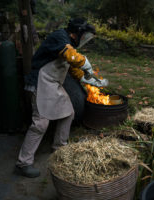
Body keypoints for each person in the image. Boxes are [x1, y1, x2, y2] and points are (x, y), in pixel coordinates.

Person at [15, 18, 108, 178]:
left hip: (54, 85)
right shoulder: (60, 37)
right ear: (77, 33)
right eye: (85, 36)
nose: (85, 40)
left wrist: (89, 80)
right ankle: (23, 163)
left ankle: (59, 147)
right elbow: (71, 56)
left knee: (68, 113)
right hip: (40, 83)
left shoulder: (68, 45)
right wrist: (84, 61)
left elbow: (73, 68)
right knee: (40, 124)